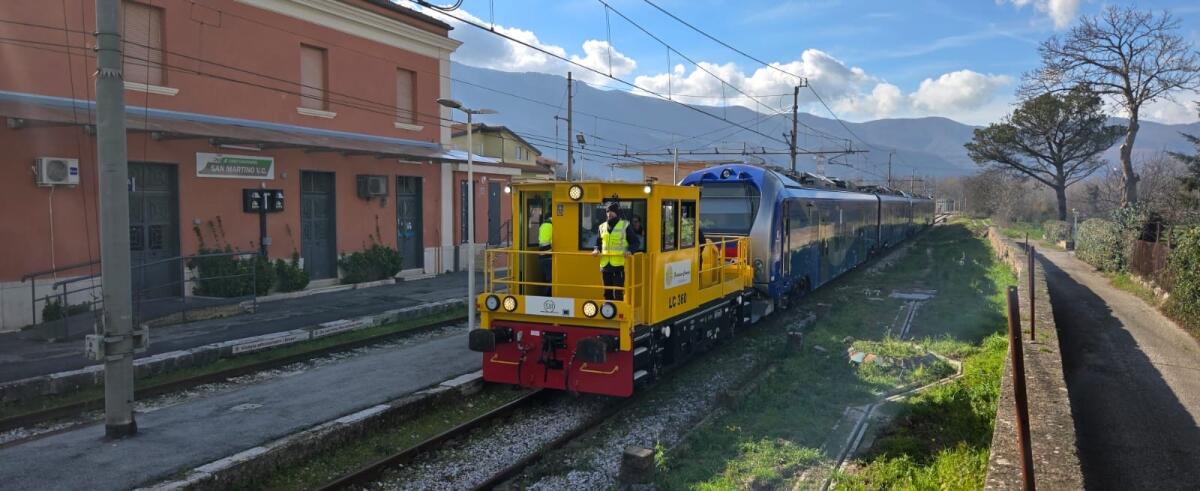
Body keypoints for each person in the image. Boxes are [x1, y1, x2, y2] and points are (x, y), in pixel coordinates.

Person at [591, 202, 631, 300]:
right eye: (608, 212)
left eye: (612, 211)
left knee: (618, 293)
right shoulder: (601, 227)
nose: (609, 214)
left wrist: (629, 251)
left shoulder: (624, 226)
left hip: (618, 266)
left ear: (616, 213)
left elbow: (635, 242)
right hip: (605, 266)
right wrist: (596, 249)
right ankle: (608, 308)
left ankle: (618, 309)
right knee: (607, 292)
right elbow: (598, 242)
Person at [537, 215, 553, 296]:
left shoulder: (542, 225)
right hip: (549, 256)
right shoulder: (553, 226)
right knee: (550, 279)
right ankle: (547, 296)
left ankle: (544, 296)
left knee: (547, 279)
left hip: (542, 256)